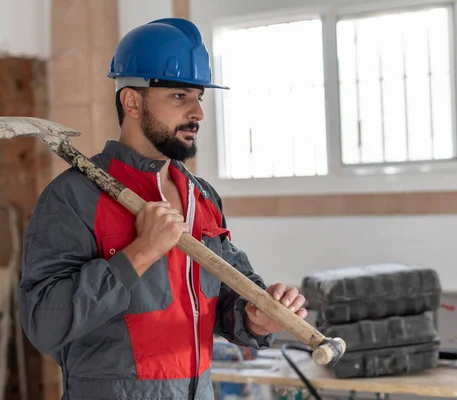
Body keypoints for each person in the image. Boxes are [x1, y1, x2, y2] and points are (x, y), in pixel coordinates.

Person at [19, 17, 308, 400]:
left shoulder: (201, 196)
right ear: (132, 101)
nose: (197, 114)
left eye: (199, 98)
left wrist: (256, 317)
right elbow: (44, 323)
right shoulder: (73, 197)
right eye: (179, 97)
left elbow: (225, 301)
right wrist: (139, 254)